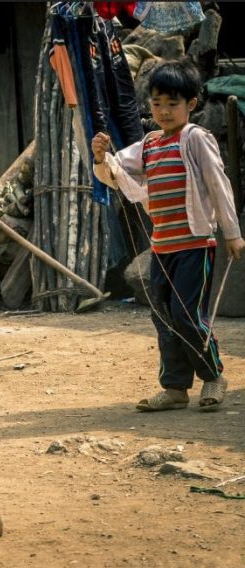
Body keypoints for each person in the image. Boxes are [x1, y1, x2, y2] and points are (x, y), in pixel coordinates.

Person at [92, 59, 244, 412]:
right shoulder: (149, 144)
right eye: (156, 103)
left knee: (186, 313)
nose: (163, 111)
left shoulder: (195, 138)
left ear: (191, 104)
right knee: (162, 316)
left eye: (172, 103)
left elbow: (218, 184)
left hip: (194, 244)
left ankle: (213, 376)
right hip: (162, 247)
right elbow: (114, 171)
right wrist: (101, 156)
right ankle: (175, 388)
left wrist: (232, 233)